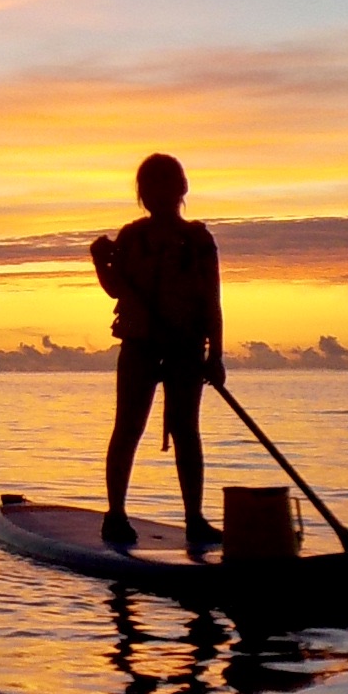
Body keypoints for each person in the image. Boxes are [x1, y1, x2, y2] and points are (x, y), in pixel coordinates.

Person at [90, 153, 226, 550]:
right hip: (140, 347)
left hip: (185, 349)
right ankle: (115, 516)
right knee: (128, 429)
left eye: (164, 186)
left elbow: (212, 302)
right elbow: (117, 288)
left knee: (187, 433)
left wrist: (215, 355)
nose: (155, 195)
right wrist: (100, 262)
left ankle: (195, 520)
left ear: (181, 190)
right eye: (148, 188)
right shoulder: (132, 237)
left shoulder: (199, 241)